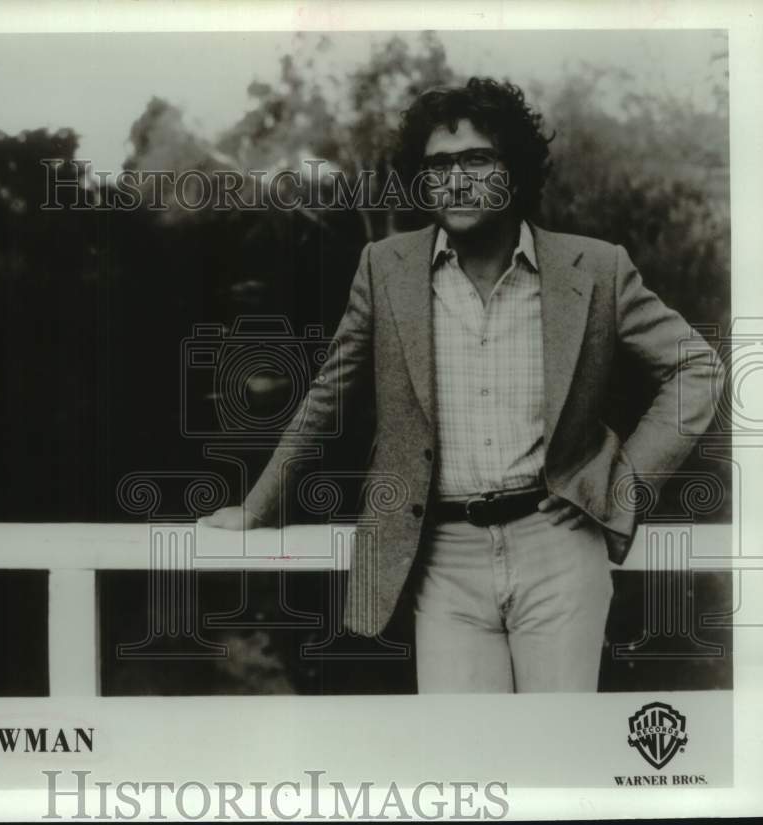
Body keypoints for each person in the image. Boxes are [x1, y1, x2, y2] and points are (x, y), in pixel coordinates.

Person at [200, 77, 722, 693]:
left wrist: (624, 484)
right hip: (440, 554)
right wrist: (258, 507)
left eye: (477, 158)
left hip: (559, 546)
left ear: (516, 171)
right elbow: (327, 396)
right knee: (466, 762)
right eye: (438, 165)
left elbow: (698, 368)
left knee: (555, 760)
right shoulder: (386, 268)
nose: (456, 179)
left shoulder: (596, 268)